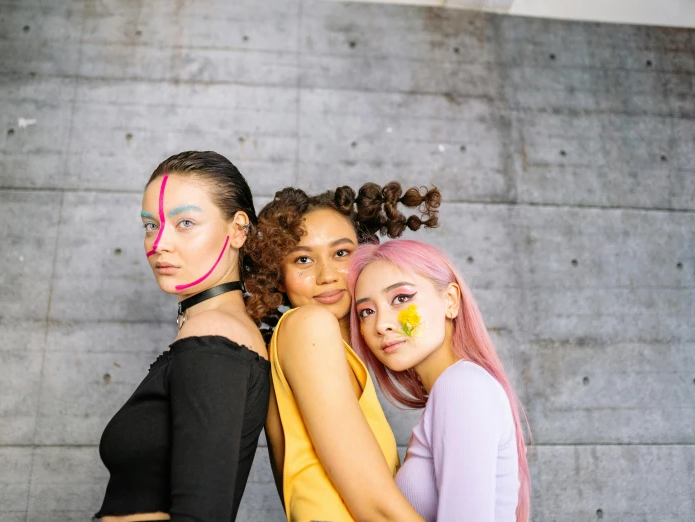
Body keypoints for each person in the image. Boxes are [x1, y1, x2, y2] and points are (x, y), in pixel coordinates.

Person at [242, 182, 440, 521]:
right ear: (278, 275)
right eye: (303, 259)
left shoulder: (334, 350)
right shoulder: (308, 326)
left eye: (341, 253)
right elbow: (374, 505)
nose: (327, 276)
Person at [94, 151, 270, 522]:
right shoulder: (214, 331)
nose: (158, 244)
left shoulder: (215, 335)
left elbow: (201, 514)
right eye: (150, 225)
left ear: (238, 229)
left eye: (185, 222)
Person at [347, 239, 531, 522]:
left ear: (450, 301)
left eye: (401, 298)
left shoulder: (462, 387)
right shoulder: (457, 388)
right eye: (366, 312)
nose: (381, 324)